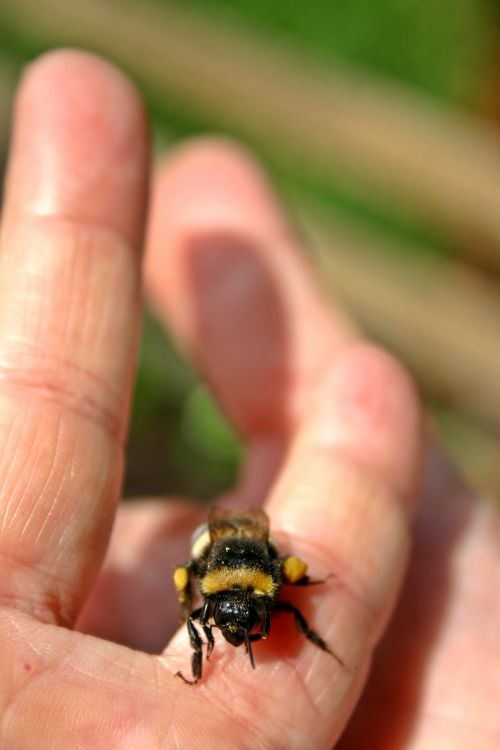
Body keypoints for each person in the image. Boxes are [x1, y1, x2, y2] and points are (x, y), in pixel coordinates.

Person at [0, 49, 498, 750]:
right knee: (211, 561)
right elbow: (202, 577)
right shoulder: (232, 596)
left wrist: (291, 578)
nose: (248, 629)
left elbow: (247, 572)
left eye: (248, 617)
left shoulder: (257, 588)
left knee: (248, 561)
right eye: (244, 618)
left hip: (237, 543)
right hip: (227, 546)